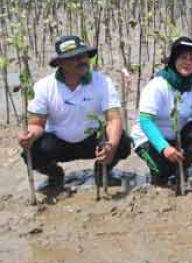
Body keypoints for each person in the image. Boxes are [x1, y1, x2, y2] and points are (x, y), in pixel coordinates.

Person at [17, 35, 131, 191]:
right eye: (75, 58)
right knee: (31, 151)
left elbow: (113, 119)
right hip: (58, 143)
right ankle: (55, 174)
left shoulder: (103, 82)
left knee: (122, 142)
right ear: (61, 63)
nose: (82, 60)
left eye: (84, 56)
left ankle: (102, 170)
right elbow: (37, 124)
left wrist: (111, 145)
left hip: (92, 140)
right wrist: (29, 135)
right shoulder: (44, 87)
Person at [132, 37, 192, 186]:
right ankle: (164, 170)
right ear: (173, 61)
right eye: (183, 57)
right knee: (162, 173)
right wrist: (164, 147)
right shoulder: (157, 86)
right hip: (148, 138)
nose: (188, 62)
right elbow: (146, 121)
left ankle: (181, 167)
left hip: (176, 136)